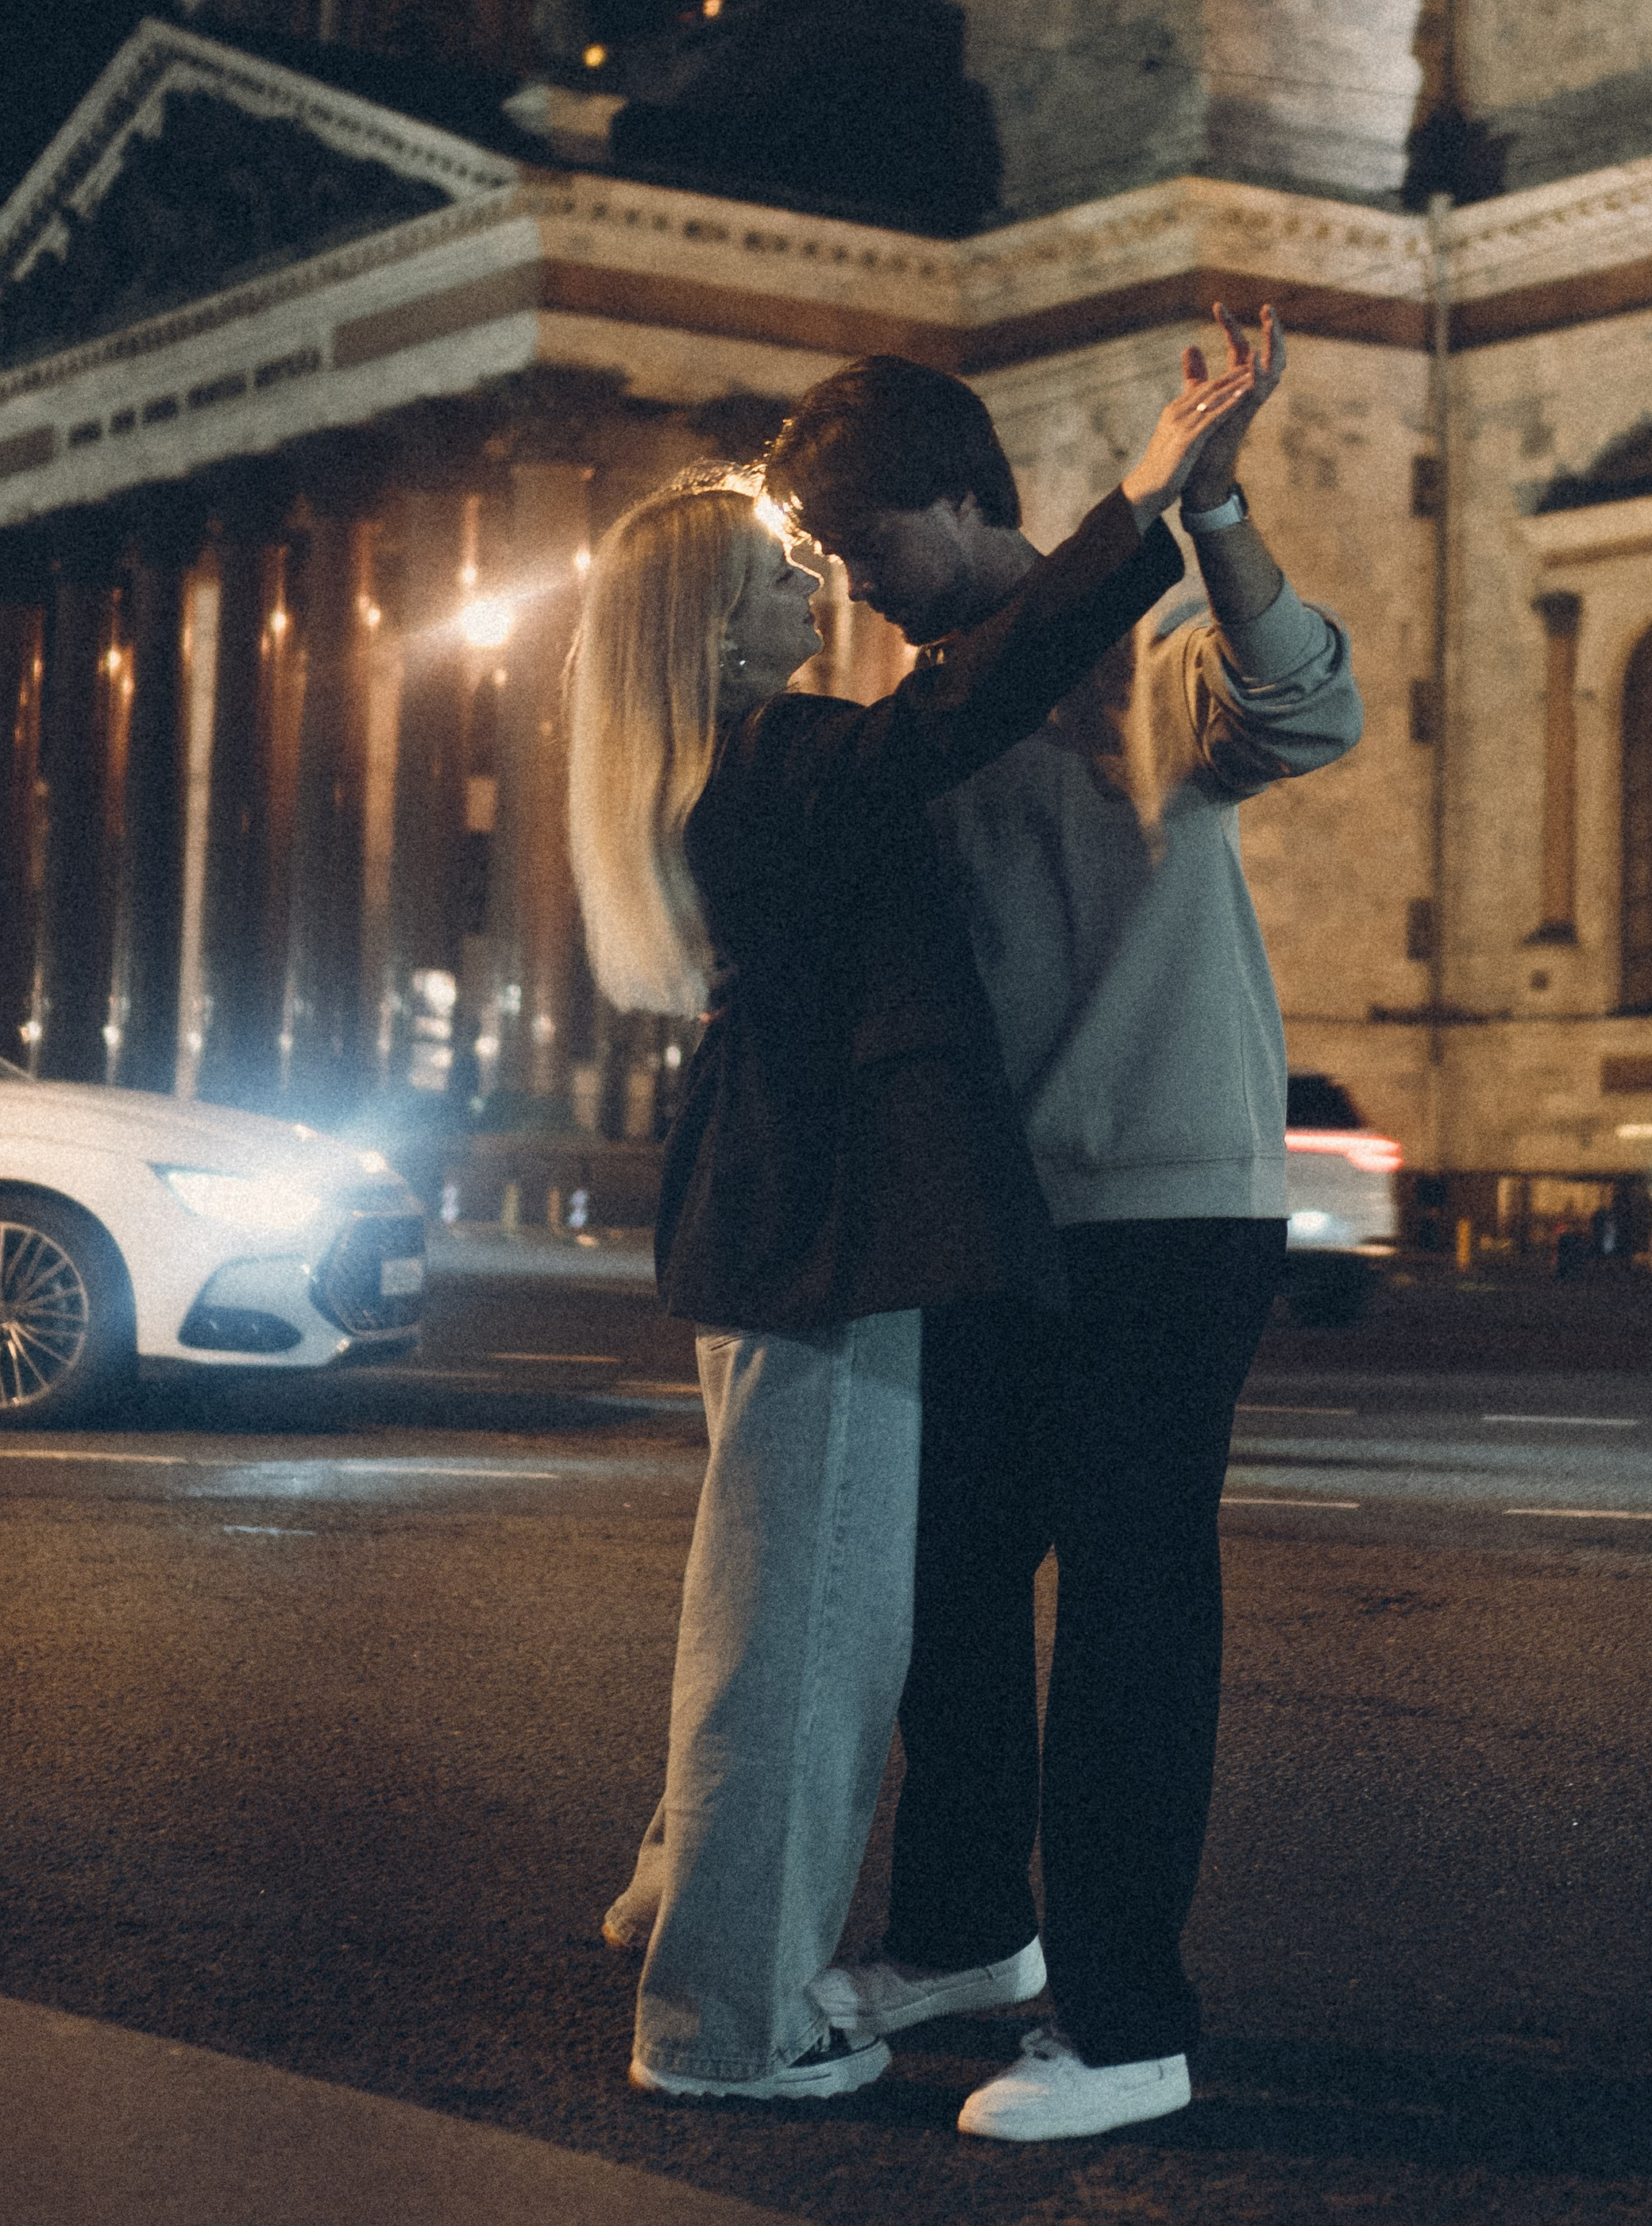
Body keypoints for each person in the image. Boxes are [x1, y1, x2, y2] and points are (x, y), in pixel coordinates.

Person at [566, 347, 1264, 2105]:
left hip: (846, 1216)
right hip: (833, 1222)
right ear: (704, 638)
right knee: (803, 1628)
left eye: (827, 550)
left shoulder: (754, 749)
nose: (821, 582)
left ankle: (777, 1941)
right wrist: (1149, 495)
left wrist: (1183, 511)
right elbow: (957, 716)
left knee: (835, 1609)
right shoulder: (790, 749)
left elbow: (1215, 704)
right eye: (776, 574)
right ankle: (724, 2013)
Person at [761, 303, 1363, 2143]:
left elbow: (1308, 709)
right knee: (942, 1589)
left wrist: (1224, 507)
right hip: (998, 1216)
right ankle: (961, 1934)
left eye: (865, 549)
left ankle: (1124, 2025)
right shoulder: (924, 717)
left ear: (960, 501)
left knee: (1122, 1609)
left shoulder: (1145, 654)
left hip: (1169, 1207)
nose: (854, 592)